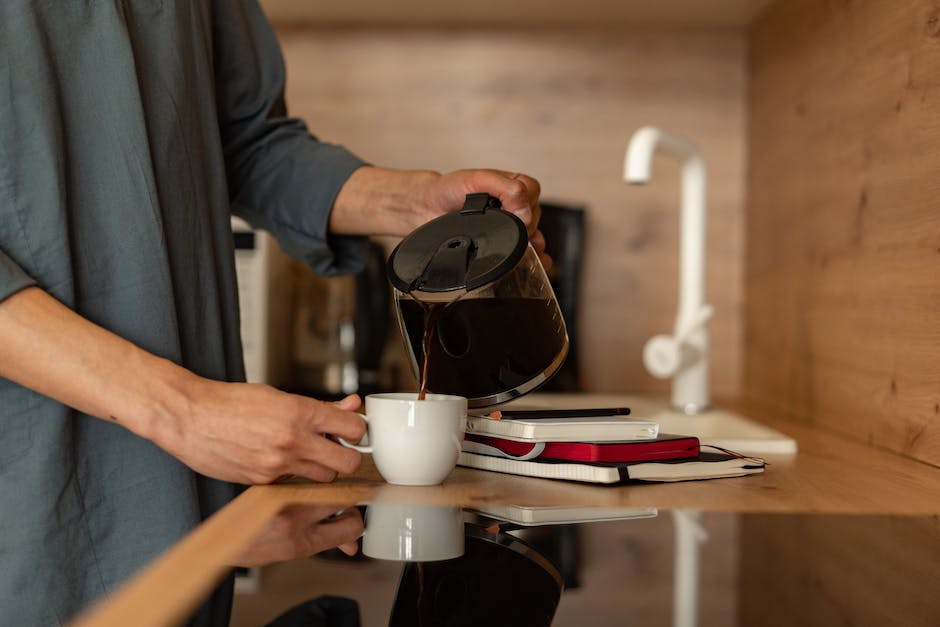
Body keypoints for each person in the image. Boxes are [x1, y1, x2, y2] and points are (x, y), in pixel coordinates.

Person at [0, 1, 545, 625]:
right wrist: (183, 408)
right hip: (30, 492)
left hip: (184, 493)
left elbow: (245, 141)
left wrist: (408, 203)